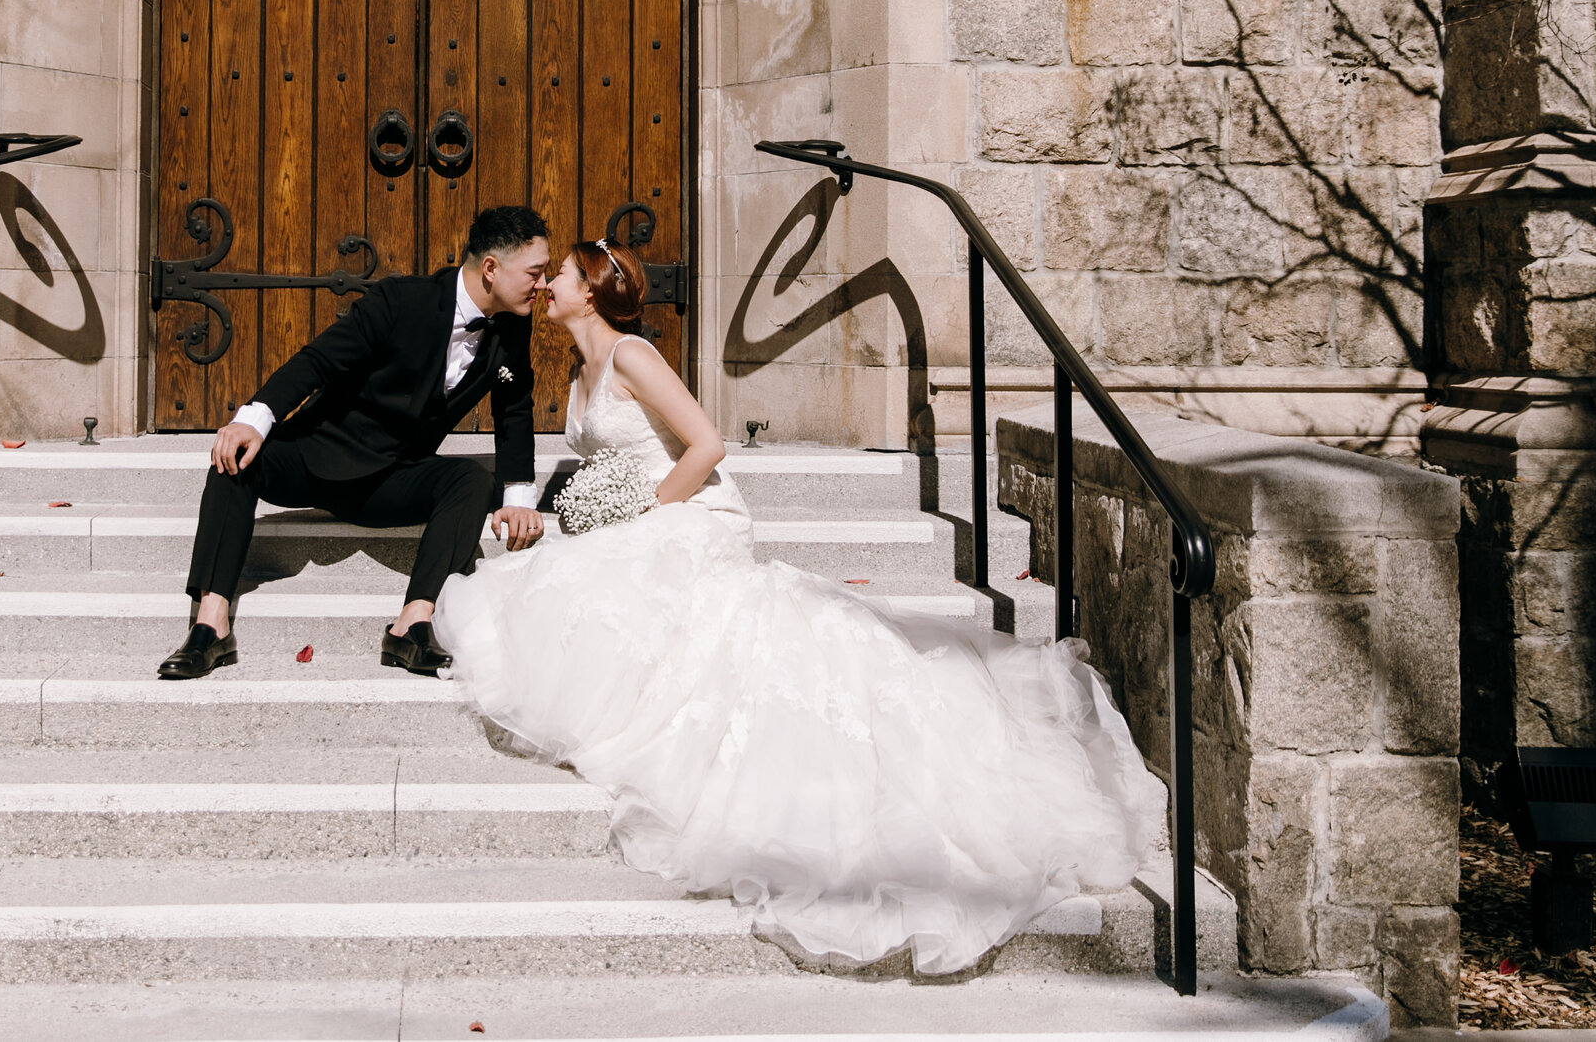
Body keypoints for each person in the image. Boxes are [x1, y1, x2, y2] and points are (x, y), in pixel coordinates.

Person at [432, 240, 1166, 973]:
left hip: (686, 512)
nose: (547, 284)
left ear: (588, 290)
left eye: (556, 273)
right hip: (640, 519)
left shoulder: (631, 356)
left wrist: (641, 511)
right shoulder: (575, 365)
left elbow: (707, 445)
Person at [157, 205, 552, 680]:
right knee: (233, 460)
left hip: (389, 480)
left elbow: (514, 409)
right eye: (535, 271)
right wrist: (253, 419)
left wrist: (517, 498)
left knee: (469, 479)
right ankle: (211, 626)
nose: (543, 283)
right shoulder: (401, 300)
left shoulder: (512, 324)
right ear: (491, 268)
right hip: (316, 458)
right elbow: (318, 361)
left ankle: (412, 625)